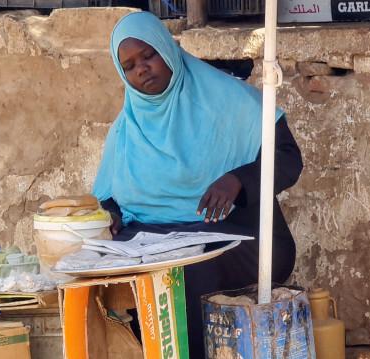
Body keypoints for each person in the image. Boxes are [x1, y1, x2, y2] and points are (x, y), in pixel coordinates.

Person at [92, 11, 303, 357]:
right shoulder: (127, 126)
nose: (142, 69)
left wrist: (239, 179)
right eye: (129, 66)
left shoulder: (227, 99)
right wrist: (109, 216)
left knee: (185, 274)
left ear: (167, 49)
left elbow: (288, 157)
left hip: (229, 231)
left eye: (149, 55)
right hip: (153, 236)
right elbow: (108, 196)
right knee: (107, 270)